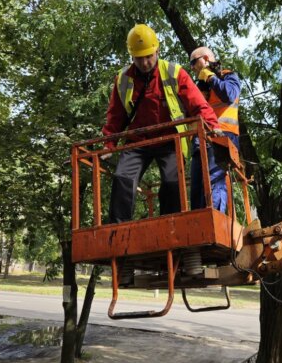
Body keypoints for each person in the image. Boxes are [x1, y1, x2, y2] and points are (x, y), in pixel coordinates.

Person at [102, 24, 220, 223]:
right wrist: (109, 144)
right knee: (122, 178)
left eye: (149, 56)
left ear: (157, 50)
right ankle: (118, 231)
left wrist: (211, 125)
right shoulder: (123, 79)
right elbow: (116, 115)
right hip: (137, 140)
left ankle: (170, 227)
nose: (145, 62)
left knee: (173, 182)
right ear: (132, 56)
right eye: (140, 58)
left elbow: (197, 103)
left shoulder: (174, 72)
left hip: (170, 139)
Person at [189, 46, 241, 212]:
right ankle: (198, 224)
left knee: (214, 181)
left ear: (205, 59)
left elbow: (229, 95)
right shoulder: (201, 85)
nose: (192, 67)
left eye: (193, 62)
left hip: (223, 135)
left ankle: (216, 218)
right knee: (196, 186)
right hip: (201, 139)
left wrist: (211, 77)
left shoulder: (228, 76)